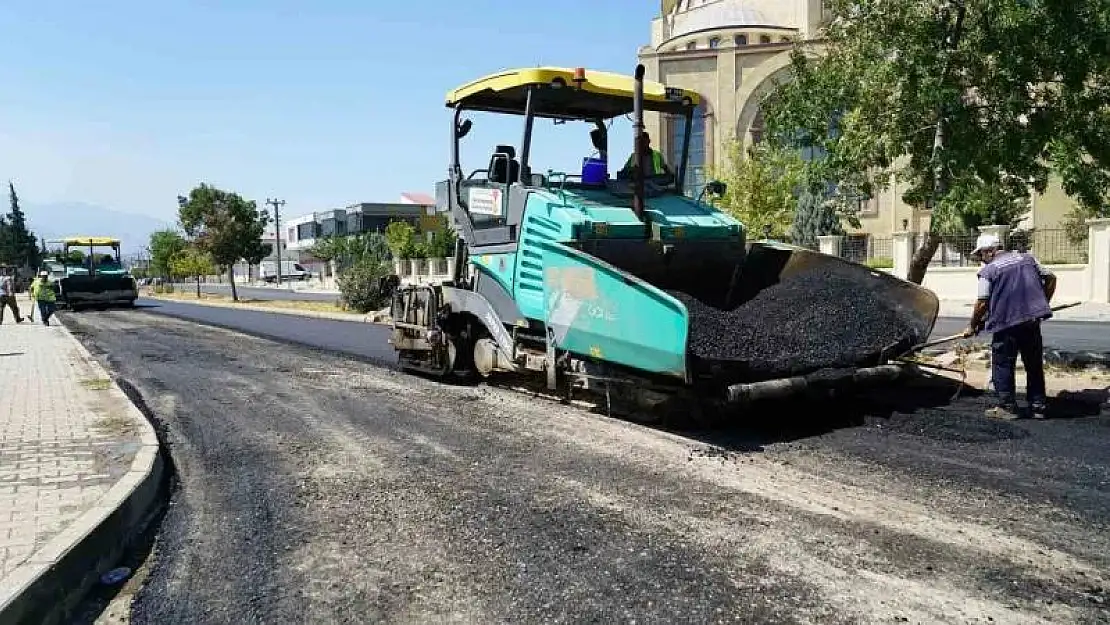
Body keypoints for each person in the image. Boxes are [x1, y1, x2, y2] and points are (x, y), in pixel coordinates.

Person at [962, 233, 1056, 420]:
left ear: (989, 251)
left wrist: (972, 326)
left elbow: (982, 302)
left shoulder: (989, 271)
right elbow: (1051, 278)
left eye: (981, 255)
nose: (981, 259)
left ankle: (1007, 407)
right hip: (1031, 321)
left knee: (1003, 364)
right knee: (1033, 364)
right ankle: (1038, 406)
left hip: (1006, 325)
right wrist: (1043, 302)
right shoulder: (1028, 259)